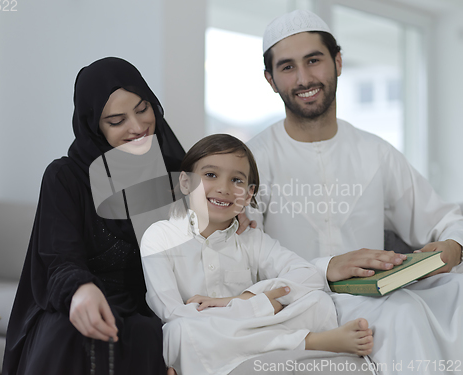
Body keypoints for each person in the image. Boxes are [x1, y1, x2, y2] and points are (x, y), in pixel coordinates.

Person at [246, 9, 463, 372]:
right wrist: (326, 268)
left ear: (338, 62)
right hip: (302, 300)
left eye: (313, 60)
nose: (303, 78)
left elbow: (442, 217)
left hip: (378, 290)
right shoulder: (250, 161)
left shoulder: (374, 152)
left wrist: (453, 246)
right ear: (270, 80)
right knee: (401, 314)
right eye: (287, 67)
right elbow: (242, 257)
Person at [2, 57, 186, 375]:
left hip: (150, 308)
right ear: (93, 126)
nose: (138, 127)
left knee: (147, 331)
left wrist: (234, 223)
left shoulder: (173, 174)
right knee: (70, 330)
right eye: (116, 121)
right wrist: (81, 290)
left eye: (143, 109)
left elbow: (201, 242)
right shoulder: (66, 177)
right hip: (80, 306)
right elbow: (59, 260)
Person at [140, 134, 374, 375]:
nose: (223, 188)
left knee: (318, 302)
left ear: (249, 194)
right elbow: (171, 312)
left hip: (250, 329)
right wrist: (258, 307)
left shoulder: (252, 239)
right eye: (211, 175)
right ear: (186, 183)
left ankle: (253, 350)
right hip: (206, 333)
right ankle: (309, 341)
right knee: (178, 332)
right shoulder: (159, 237)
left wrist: (248, 297)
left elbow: (308, 275)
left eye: (237, 180)